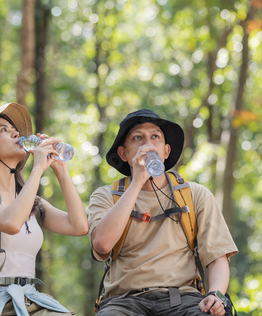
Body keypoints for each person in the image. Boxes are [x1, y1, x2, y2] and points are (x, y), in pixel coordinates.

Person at [87, 109, 238, 316]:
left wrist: (215, 295)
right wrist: (138, 181)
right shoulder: (105, 196)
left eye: (155, 137)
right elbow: (102, 245)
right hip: (123, 303)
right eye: (138, 137)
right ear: (123, 153)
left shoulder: (195, 194)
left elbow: (217, 257)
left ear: (166, 151)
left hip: (184, 299)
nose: (147, 145)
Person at [0, 102, 88, 315]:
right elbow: (10, 223)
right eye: (4, 129)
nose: (15, 133)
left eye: (15, 130)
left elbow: (79, 226)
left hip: (28, 298)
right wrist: (37, 168)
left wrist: (61, 169)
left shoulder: (31, 202)